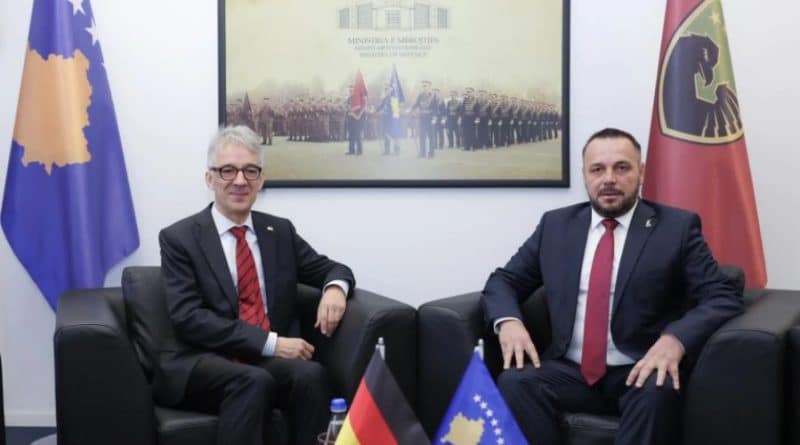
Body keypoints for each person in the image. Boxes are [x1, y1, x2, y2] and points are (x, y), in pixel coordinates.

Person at [482, 127, 742, 445]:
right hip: (569, 370)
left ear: (641, 172)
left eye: (621, 168)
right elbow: (504, 280)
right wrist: (509, 321)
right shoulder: (556, 225)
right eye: (597, 169)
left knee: (658, 389)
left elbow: (722, 295)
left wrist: (676, 339)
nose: (609, 179)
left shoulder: (676, 228)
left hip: (640, 366)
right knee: (514, 382)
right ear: (585, 174)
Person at [158, 125, 355, 445]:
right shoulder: (180, 238)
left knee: (311, 374)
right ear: (209, 179)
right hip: (203, 359)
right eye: (228, 170)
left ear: (261, 180)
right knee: (253, 380)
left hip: (262, 361)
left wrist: (334, 289)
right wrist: (272, 343)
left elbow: (333, 269)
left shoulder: (279, 231)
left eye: (250, 170)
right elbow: (188, 317)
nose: (240, 180)